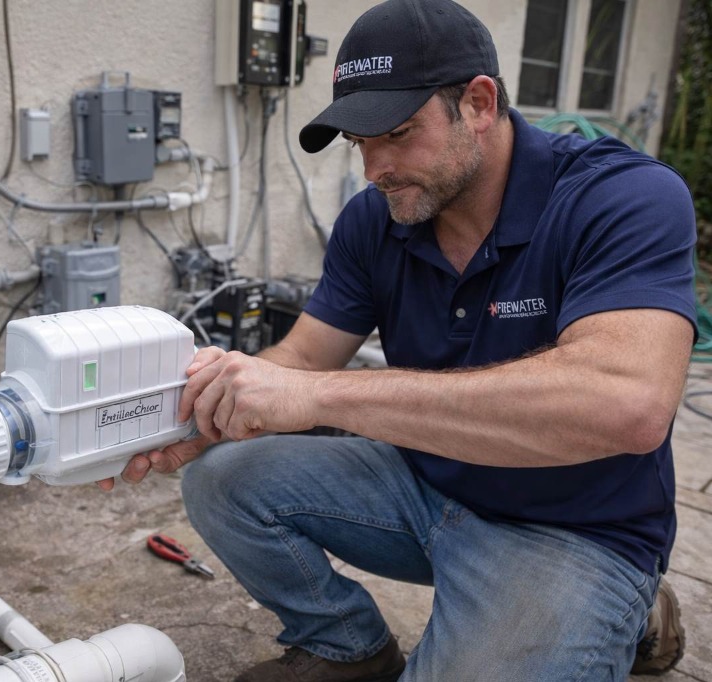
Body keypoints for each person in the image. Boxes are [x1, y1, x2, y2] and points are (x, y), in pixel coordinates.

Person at [103, 0, 695, 679]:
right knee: (224, 477)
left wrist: (321, 396)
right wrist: (200, 415)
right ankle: (349, 648)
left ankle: (633, 613)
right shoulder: (376, 220)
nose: (374, 167)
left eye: (398, 132)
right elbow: (300, 359)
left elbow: (627, 404)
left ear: (478, 102)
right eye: (360, 143)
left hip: (571, 530)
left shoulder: (621, 198)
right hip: (426, 485)